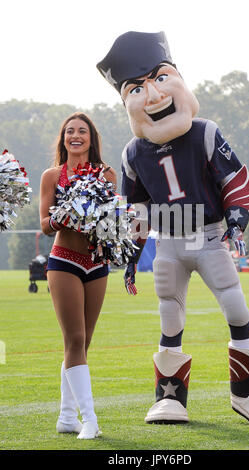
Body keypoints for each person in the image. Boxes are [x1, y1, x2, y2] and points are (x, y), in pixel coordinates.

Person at [96, 31, 249, 426]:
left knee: (235, 306)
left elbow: (233, 178)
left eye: (160, 78)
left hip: (207, 234)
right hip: (168, 239)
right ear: (126, 100)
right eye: (137, 88)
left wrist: (237, 220)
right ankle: (169, 399)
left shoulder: (204, 131)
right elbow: (135, 208)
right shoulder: (133, 152)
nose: (152, 96)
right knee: (169, 315)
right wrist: (132, 254)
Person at [39, 112, 117, 439]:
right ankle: (90, 420)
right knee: (74, 339)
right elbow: (44, 224)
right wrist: (65, 214)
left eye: (82, 131)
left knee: (83, 342)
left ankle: (66, 417)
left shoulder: (107, 174)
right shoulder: (52, 176)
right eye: (70, 131)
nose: (76, 136)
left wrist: (99, 217)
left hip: (96, 264)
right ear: (63, 139)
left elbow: (113, 222)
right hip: (65, 261)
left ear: (91, 138)